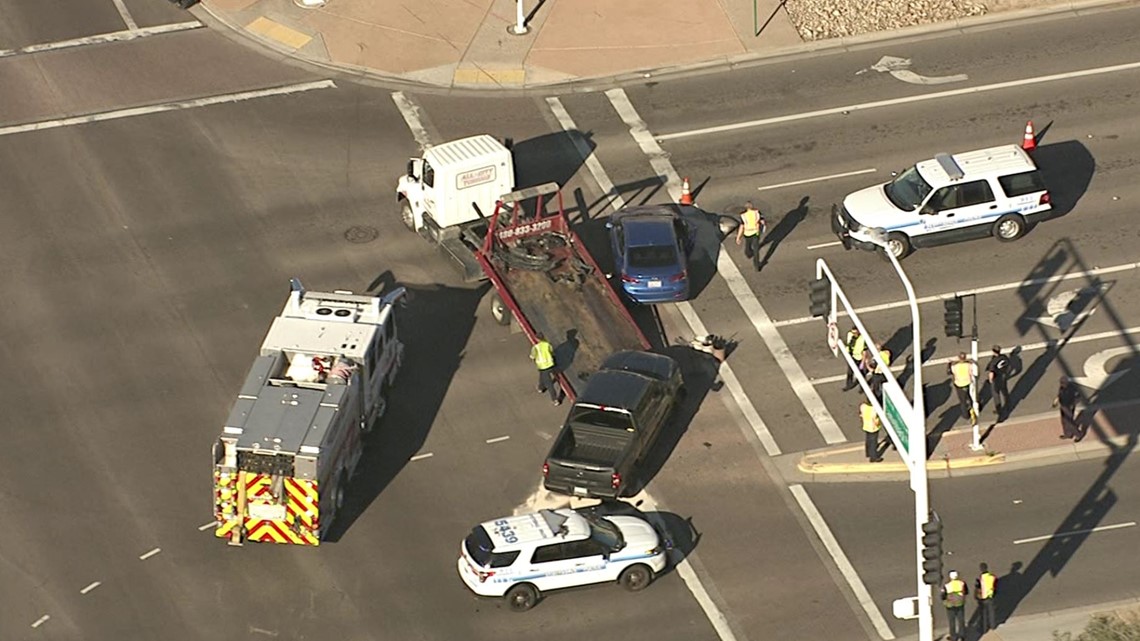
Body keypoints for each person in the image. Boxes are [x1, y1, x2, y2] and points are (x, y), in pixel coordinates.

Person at [530, 332, 561, 406]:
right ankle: (540, 387)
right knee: (542, 376)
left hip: (543, 366)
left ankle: (555, 399)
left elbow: (532, 356)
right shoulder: (547, 345)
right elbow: (552, 353)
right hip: (550, 365)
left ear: (537, 339)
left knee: (549, 383)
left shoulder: (535, 347)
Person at [735, 201, 767, 272]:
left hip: (747, 234)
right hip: (756, 233)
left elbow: (742, 226)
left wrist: (738, 237)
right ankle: (756, 266)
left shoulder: (743, 215)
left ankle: (748, 254)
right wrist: (763, 224)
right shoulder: (757, 212)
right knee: (756, 250)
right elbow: (762, 221)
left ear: (746, 208)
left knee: (748, 246)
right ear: (752, 207)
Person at [948, 353, 976, 421]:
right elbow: (972, 370)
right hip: (967, 382)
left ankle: (965, 415)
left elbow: (950, 372)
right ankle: (973, 408)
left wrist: (949, 363)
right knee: (969, 396)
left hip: (959, 384)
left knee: (962, 401)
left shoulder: (955, 366)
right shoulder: (968, 365)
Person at [942, 570, 968, 641]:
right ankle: (962, 636)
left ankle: (953, 637)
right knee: (961, 620)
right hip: (960, 604)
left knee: (951, 621)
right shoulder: (962, 583)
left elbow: (943, 596)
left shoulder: (947, 585)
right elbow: (966, 592)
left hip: (950, 605)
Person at [986, 345, 1011, 417]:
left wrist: (990, 380)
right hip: (1003, 377)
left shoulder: (993, 361)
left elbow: (991, 372)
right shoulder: (1004, 357)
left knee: (996, 394)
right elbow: (1009, 366)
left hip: (996, 379)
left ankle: (999, 410)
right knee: (1005, 392)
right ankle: (1008, 405)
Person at [1052, 376, 1080, 440]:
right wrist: (1056, 401)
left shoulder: (1072, 389)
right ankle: (1068, 434)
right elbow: (1059, 394)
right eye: (1061, 383)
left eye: (1063, 383)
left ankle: (1078, 434)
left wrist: (1073, 404)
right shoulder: (1062, 388)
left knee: (1069, 422)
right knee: (1064, 421)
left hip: (1069, 406)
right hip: (1063, 406)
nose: (1061, 384)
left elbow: (1078, 397)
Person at [842, 328, 867, 392]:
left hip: (859, 357)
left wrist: (862, 362)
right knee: (850, 372)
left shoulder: (862, 338)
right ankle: (848, 385)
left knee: (861, 374)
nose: (854, 334)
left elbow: (864, 352)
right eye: (853, 333)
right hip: (851, 356)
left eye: (855, 333)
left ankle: (863, 387)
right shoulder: (850, 335)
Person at [976, 562, 997, 634]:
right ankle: (993, 626)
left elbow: (978, 588)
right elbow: (995, 586)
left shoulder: (980, 579)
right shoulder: (992, 577)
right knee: (991, 612)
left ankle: (984, 629)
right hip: (990, 596)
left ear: (981, 569)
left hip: (983, 598)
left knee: (984, 614)